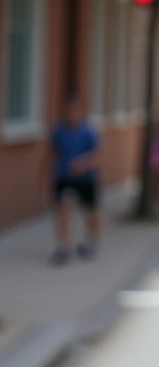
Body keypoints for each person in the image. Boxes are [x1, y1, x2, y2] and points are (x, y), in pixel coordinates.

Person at [48, 95, 101, 265]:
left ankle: (92, 242)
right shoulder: (58, 131)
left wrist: (84, 164)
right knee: (63, 209)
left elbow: (98, 155)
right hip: (64, 177)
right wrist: (43, 179)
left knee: (90, 211)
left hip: (85, 178)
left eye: (74, 110)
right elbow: (51, 155)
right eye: (68, 111)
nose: (71, 114)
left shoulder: (88, 131)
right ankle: (64, 247)